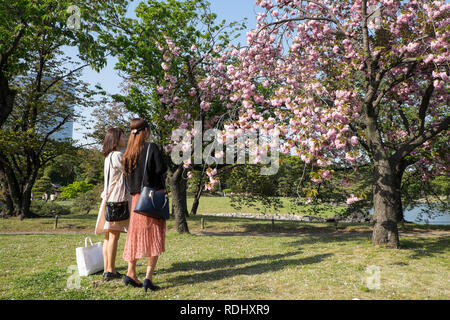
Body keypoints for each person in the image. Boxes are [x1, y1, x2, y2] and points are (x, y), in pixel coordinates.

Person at [122, 118, 167, 292]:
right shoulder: (151, 148)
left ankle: (130, 273)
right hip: (151, 198)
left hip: (135, 200)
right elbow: (161, 169)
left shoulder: (128, 153)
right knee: (155, 236)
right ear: (146, 130)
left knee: (134, 235)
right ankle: (148, 278)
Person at [95, 128, 130, 281]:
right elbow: (129, 171)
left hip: (109, 197)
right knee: (114, 235)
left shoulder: (108, 156)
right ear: (116, 140)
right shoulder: (117, 155)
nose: (125, 138)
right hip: (117, 199)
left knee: (108, 236)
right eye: (122, 136)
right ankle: (111, 270)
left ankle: (107, 269)